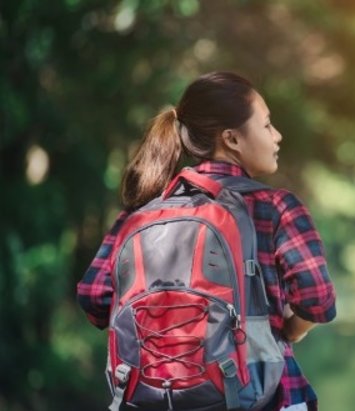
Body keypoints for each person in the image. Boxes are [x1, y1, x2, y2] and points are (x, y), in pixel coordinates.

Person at [77, 71, 337, 411]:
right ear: (231, 138)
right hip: (262, 395)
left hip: (155, 398)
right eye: (267, 125)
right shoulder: (277, 207)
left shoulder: (141, 215)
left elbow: (94, 298)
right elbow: (317, 299)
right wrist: (288, 332)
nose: (278, 136)